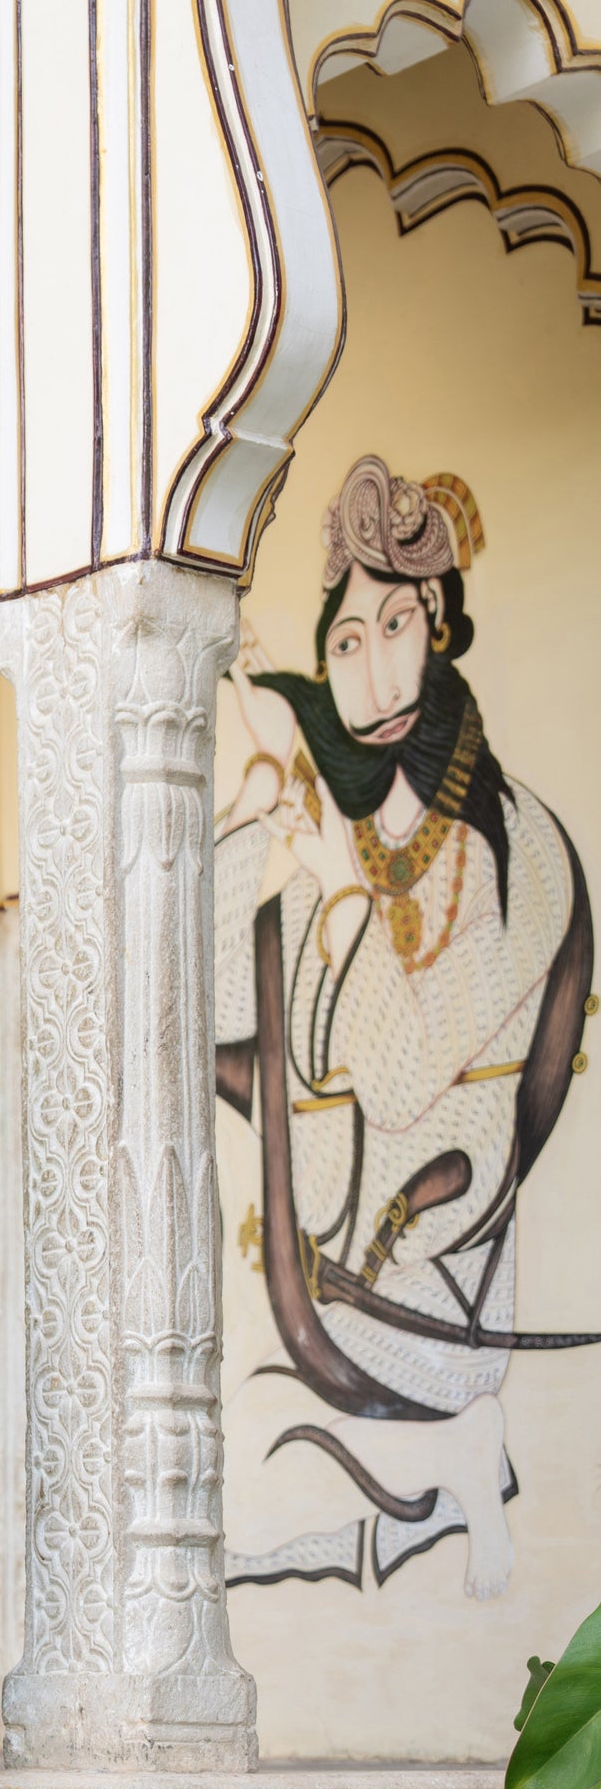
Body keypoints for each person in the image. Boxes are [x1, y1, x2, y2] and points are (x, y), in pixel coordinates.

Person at [213, 455, 594, 1598]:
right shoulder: (342, 826)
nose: (370, 667)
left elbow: (407, 1075)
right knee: (244, 1442)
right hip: (324, 1260)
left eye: (393, 627)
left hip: (431, 1269)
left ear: (435, 628)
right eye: (342, 643)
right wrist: (251, 820)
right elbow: (218, 1023)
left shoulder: (501, 844)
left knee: (278, 1449)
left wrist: (335, 889)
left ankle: (447, 1483)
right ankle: (432, 1501)